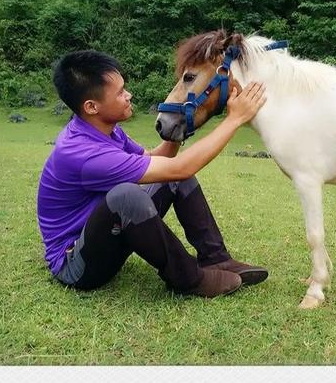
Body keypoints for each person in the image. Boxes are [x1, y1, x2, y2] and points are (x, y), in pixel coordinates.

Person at [37, 50, 268, 298]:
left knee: (173, 178)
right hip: (77, 264)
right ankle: (191, 279)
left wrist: (182, 122)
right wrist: (234, 120)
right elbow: (180, 166)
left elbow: (158, 160)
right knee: (128, 196)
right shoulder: (82, 153)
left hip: (107, 237)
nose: (129, 96)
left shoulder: (106, 130)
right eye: (120, 93)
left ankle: (216, 259)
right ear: (92, 107)